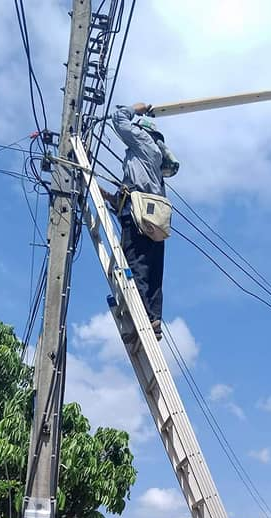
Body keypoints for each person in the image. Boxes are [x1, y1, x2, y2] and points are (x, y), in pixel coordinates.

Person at [108, 102, 178, 340]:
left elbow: (118, 119)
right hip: (155, 216)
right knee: (152, 269)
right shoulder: (155, 162)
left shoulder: (142, 141)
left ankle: (140, 317)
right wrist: (112, 198)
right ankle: (153, 318)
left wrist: (135, 108)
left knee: (134, 263)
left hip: (139, 213)